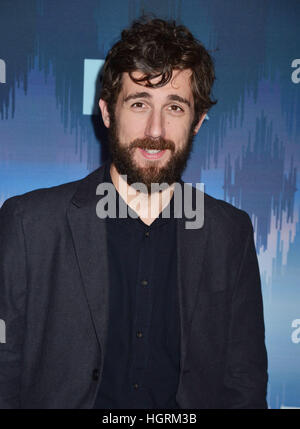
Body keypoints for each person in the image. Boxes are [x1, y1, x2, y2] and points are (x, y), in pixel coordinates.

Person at [0, 17, 268, 409]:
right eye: (139, 103)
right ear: (108, 113)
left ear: (197, 122)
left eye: (174, 107)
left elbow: (244, 384)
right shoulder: (29, 225)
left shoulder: (231, 233)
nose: (155, 130)